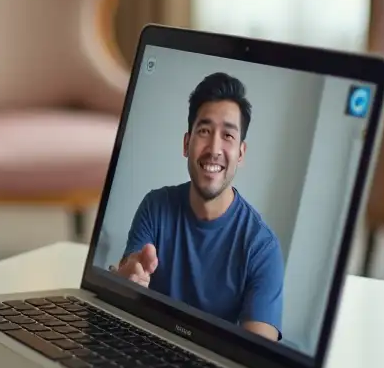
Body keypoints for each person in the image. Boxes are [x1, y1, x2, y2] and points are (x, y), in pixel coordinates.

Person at [111, 72, 284, 341]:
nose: (214, 148)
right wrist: (125, 279)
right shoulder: (155, 206)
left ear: (241, 154)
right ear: (186, 143)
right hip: (146, 348)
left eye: (228, 135)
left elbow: (259, 354)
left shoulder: (263, 248)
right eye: (204, 131)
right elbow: (129, 278)